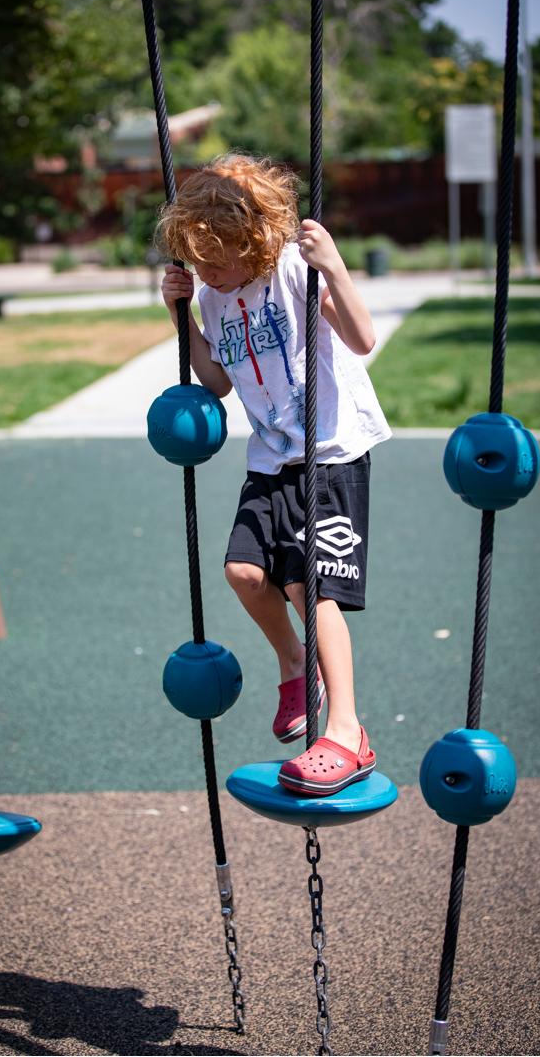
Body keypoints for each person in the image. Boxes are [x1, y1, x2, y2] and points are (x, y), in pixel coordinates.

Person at [155, 153, 392, 796]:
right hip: (270, 456)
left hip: (331, 452)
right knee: (243, 572)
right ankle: (295, 666)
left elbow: (364, 338)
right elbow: (217, 381)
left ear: (253, 243)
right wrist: (183, 318)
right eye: (196, 260)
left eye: (215, 259)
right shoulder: (211, 293)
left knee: (314, 591)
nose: (204, 270)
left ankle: (346, 731)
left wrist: (334, 267)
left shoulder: (292, 272)